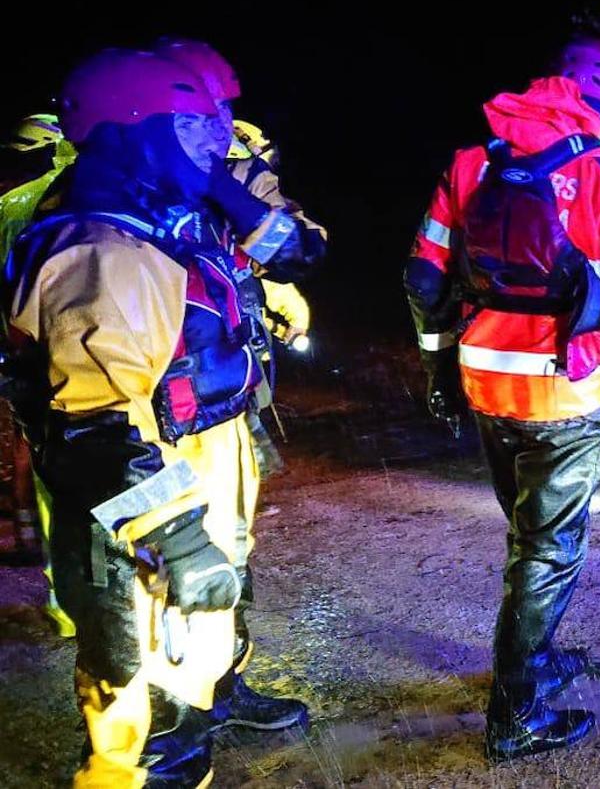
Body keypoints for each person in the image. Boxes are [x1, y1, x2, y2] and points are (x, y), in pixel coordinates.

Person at [403, 35, 600, 762]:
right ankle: (516, 713)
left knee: (530, 537)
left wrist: (440, 370)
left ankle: (534, 659)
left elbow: (423, 279)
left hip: (486, 386)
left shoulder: (473, 164)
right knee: (548, 547)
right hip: (568, 394)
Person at [4, 48, 253, 788]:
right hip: (132, 518)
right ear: (136, 135)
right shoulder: (105, 248)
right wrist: (176, 536)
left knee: (177, 684)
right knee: (131, 695)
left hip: (164, 487)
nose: (218, 136)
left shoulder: (154, 223)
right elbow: (96, 430)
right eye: (196, 122)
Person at [148, 36, 322, 734]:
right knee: (161, 559)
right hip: (152, 410)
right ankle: (168, 717)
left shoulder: (235, 171)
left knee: (231, 546)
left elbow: (302, 247)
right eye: (205, 111)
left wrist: (222, 187)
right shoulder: (111, 188)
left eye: (225, 110)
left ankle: (221, 685)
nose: (221, 125)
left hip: (227, 394)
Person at [0, 113, 79, 636]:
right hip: (77, 358)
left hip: (27, 363)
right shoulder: (69, 198)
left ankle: (66, 602)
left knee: (52, 483)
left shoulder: (8, 207)